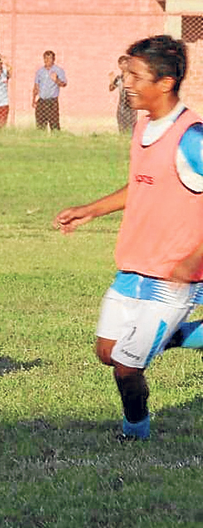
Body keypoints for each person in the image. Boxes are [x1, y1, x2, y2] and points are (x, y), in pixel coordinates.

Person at [54, 34, 203, 441]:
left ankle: (134, 430)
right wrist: (90, 209)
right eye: (126, 74)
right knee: (107, 352)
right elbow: (143, 185)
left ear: (165, 82)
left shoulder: (193, 137)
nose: (127, 83)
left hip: (174, 276)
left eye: (135, 76)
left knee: (127, 364)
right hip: (133, 267)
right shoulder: (143, 126)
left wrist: (194, 258)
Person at [33, 50, 67, 131]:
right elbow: (36, 86)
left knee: (54, 124)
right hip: (41, 101)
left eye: (49, 58)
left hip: (52, 102)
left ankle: (55, 140)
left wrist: (56, 80)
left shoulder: (58, 70)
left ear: (53, 59)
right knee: (40, 126)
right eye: (45, 58)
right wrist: (34, 99)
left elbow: (64, 84)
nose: (47, 60)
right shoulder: (40, 71)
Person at [109, 55, 136, 134]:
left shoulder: (133, 77)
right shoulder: (119, 78)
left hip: (131, 105)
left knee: (132, 126)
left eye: (126, 63)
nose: (124, 65)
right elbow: (111, 88)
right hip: (121, 106)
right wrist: (111, 81)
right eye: (121, 64)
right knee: (121, 126)